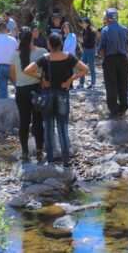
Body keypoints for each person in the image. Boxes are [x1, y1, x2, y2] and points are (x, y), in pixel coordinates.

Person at [24, 33, 89, 167]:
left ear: (49, 45)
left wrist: (41, 78)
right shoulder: (69, 57)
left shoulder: (45, 58)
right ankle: (66, 160)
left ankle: (51, 159)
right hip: (63, 95)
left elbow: (27, 70)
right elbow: (85, 69)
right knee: (62, 128)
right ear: (60, 44)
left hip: (47, 94)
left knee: (48, 127)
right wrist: (71, 79)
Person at [10, 27, 46, 163]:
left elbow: (12, 76)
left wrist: (20, 83)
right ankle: (39, 152)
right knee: (38, 121)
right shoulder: (42, 52)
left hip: (21, 91)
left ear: (19, 38)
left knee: (24, 122)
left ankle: (25, 152)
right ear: (33, 37)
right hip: (37, 90)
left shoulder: (14, 55)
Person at [98, 8, 128, 120]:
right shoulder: (125, 29)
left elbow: (101, 49)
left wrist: (105, 59)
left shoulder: (105, 30)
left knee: (111, 84)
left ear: (107, 19)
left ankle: (114, 110)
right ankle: (123, 108)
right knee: (123, 83)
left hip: (110, 59)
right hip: (123, 59)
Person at [78, 18, 96, 89]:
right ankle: (81, 83)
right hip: (85, 51)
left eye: (83, 22)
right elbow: (84, 44)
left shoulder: (91, 32)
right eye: (82, 22)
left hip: (90, 51)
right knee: (82, 67)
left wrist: (82, 42)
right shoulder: (84, 31)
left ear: (87, 24)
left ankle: (93, 84)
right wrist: (81, 42)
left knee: (91, 67)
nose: (82, 24)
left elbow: (91, 44)